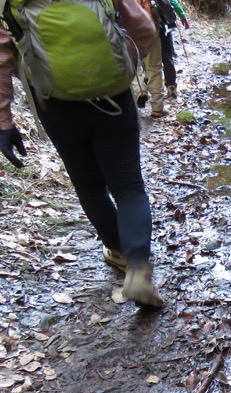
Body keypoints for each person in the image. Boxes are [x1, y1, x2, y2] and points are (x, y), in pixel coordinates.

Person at [0, 0, 165, 308]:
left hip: (56, 105)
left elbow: (2, 58)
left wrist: (4, 120)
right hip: (113, 99)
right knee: (129, 188)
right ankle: (139, 270)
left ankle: (117, 251)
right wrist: (122, 69)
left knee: (89, 187)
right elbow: (144, 31)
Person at [161, 0, 190, 98]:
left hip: (145, 26)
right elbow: (172, 2)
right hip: (164, 24)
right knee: (167, 55)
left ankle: (147, 89)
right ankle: (171, 87)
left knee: (148, 59)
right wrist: (182, 16)